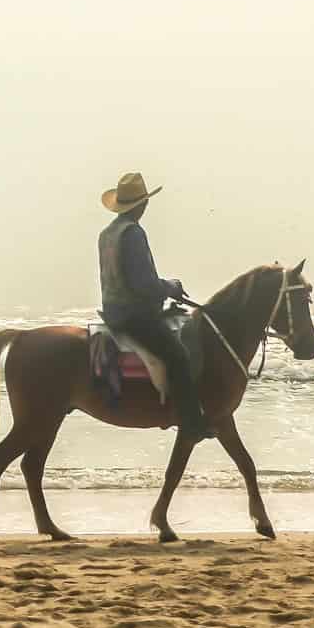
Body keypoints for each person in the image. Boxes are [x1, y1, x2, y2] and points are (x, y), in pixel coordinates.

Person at [97, 172, 211, 440]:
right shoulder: (133, 232)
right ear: (140, 204)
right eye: (145, 202)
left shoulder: (107, 233)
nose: (146, 206)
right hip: (134, 316)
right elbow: (143, 284)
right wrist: (170, 287)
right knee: (179, 356)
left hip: (112, 312)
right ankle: (192, 424)